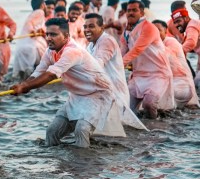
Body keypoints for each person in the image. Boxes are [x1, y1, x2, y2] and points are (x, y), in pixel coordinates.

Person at [11, 18, 126, 148]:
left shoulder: (72, 51)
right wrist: (23, 85)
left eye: (53, 34)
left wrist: (25, 87)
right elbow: (38, 72)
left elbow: (50, 75)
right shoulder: (50, 51)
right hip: (77, 96)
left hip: (97, 95)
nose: (48, 38)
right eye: (47, 34)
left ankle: (84, 165)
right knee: (51, 132)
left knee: (81, 130)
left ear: (66, 36)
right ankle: (58, 162)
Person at [83, 13, 147, 130]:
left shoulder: (107, 41)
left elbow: (97, 64)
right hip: (102, 96)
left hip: (116, 97)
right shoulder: (90, 45)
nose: (87, 30)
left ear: (102, 28)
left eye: (91, 26)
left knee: (110, 138)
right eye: (85, 27)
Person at [120, 0, 174, 118]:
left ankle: (154, 127)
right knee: (125, 109)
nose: (131, 13)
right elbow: (122, 52)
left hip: (157, 74)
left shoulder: (149, 27)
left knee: (149, 104)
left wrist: (119, 65)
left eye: (134, 10)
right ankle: (138, 133)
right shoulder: (126, 31)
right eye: (128, 11)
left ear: (142, 12)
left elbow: (137, 50)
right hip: (138, 75)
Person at [153, 19, 199, 108]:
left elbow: (163, 57)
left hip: (181, 84)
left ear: (165, 31)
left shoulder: (171, 41)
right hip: (169, 84)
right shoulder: (153, 44)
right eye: (153, 31)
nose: (155, 33)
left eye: (158, 30)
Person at [12, 0, 48, 80]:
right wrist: (32, 31)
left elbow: (36, 25)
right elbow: (30, 23)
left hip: (25, 44)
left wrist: (40, 30)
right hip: (33, 45)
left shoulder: (33, 13)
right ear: (43, 5)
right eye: (45, 4)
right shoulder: (40, 12)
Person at [171, 7, 200, 72]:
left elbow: (191, 42)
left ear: (186, 18)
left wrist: (176, 55)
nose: (176, 25)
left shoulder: (192, 25)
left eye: (178, 21)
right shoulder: (193, 24)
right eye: (174, 22)